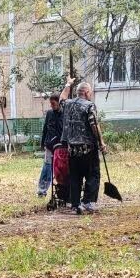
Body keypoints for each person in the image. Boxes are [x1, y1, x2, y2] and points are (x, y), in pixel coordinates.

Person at [59, 78, 107, 215]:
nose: (91, 94)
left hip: (72, 149)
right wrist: (101, 142)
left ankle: (75, 205)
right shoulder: (89, 106)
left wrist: (68, 84)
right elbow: (94, 124)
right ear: (86, 92)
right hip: (88, 148)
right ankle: (88, 201)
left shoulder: (68, 104)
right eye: (90, 92)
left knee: (75, 176)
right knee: (93, 174)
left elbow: (62, 98)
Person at [37, 95, 62, 197]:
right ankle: (42, 190)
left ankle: (62, 190)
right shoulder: (49, 113)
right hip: (49, 145)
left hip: (61, 146)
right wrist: (42, 142)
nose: (51, 106)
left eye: (53, 104)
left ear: (59, 102)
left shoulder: (64, 113)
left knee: (61, 168)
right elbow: (45, 129)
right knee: (47, 167)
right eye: (50, 104)